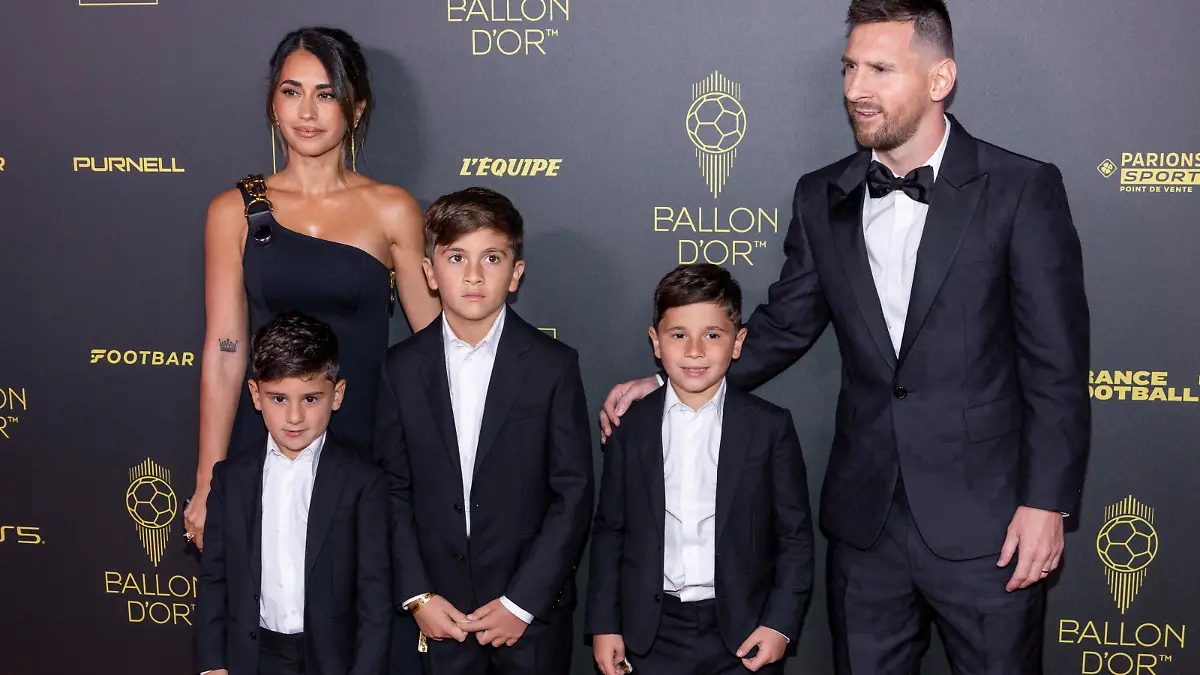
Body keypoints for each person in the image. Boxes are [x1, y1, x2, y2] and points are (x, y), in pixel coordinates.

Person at [600, 1, 1091, 672]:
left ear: (940, 77)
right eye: (850, 67)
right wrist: (665, 382)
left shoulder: (1021, 188)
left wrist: (1046, 502)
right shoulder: (820, 196)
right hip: (866, 526)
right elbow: (783, 325)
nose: (856, 88)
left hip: (991, 524)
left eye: (881, 69)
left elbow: (1056, 363)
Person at [184, 26, 440, 552]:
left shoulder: (391, 209)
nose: (307, 111)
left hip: (365, 441)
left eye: (326, 94)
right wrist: (209, 480)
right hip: (268, 439)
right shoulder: (232, 210)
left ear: (357, 108)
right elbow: (226, 352)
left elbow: (435, 345)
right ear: (273, 102)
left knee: (356, 615)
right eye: (292, 91)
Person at [374, 187, 594, 675]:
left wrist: (521, 603)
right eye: (456, 257)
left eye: (491, 258)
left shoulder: (553, 366)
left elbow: (573, 494)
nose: (473, 275)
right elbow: (392, 488)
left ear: (515, 273)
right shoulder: (400, 368)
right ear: (429, 272)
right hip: (438, 614)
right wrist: (417, 594)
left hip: (530, 618)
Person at [586, 264, 814, 675]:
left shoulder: (769, 426)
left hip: (744, 631)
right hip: (651, 633)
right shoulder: (630, 426)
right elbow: (610, 531)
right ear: (656, 342)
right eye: (678, 336)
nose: (695, 350)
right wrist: (605, 624)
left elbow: (794, 537)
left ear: (738, 342)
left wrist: (780, 624)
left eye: (712, 335)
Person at [194, 310, 390, 675]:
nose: (295, 417)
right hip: (251, 658)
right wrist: (212, 664)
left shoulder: (364, 483)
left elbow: (375, 600)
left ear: (337, 394)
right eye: (279, 398)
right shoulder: (230, 479)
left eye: (311, 399)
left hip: (332, 661)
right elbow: (213, 580)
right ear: (255, 395)